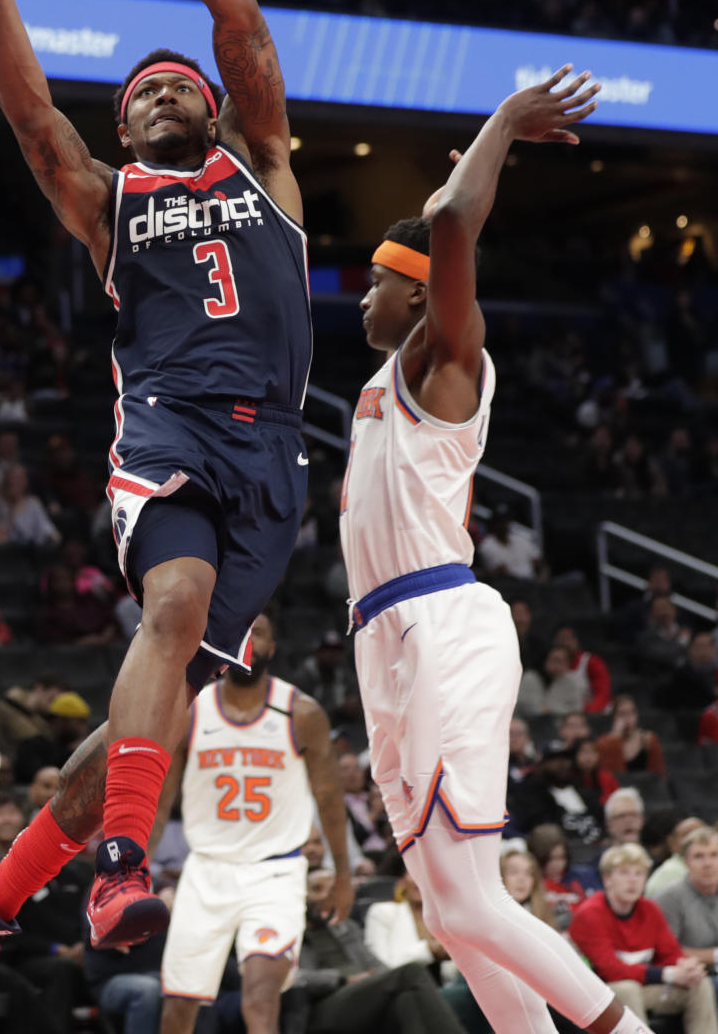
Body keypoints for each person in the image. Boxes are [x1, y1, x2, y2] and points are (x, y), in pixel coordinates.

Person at [0, 0, 313, 1014]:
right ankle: (124, 869)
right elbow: (30, 110)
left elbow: (235, 18)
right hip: (171, 430)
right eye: (134, 94)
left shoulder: (265, 160)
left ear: (213, 106)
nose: (154, 96)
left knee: (131, 724)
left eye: (173, 87)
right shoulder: (108, 201)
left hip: (275, 462)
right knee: (173, 603)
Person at [338, 70, 660, 1034]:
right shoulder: (381, 388)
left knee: (474, 899)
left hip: (442, 622)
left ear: (419, 292)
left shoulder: (448, 366)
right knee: (446, 908)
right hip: (383, 633)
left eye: (376, 284)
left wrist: (507, 124)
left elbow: (448, 220)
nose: (361, 299)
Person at [151, 610, 352, 1034]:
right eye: (240, 634)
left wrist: (343, 875)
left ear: (272, 649)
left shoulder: (303, 713)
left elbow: (330, 800)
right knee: (178, 1009)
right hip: (205, 871)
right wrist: (136, 872)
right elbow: (162, 796)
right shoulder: (190, 709)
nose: (248, 642)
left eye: (258, 633)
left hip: (275, 872)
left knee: (260, 998)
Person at [281, 868, 466, 1034]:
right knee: (411, 972)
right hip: (321, 1004)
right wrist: (341, 979)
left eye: (332, 891)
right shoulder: (288, 932)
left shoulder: (346, 927)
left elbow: (375, 964)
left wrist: (382, 979)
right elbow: (290, 977)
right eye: (317, 889)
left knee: (406, 1000)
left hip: (362, 996)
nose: (325, 897)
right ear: (301, 893)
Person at [569, 844, 718, 1032]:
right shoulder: (590, 913)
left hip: (643, 987)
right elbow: (610, 970)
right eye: (624, 873)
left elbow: (670, 953)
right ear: (607, 879)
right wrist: (667, 973)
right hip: (600, 995)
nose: (632, 881)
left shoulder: (649, 909)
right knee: (627, 988)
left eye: (639, 874)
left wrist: (686, 967)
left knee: (700, 984)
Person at [652, 827, 718, 971]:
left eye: (714, 855)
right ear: (685, 862)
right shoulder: (668, 898)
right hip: (688, 976)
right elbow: (667, 952)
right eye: (699, 856)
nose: (708, 863)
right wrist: (714, 955)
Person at [595, 695, 667, 779]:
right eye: (622, 714)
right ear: (613, 717)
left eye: (631, 713)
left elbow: (659, 774)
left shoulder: (647, 739)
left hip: (645, 787)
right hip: (619, 789)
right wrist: (614, 740)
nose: (627, 718)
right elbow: (610, 775)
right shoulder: (604, 743)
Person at [646, 818, 709, 900]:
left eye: (701, 834)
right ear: (673, 843)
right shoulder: (670, 872)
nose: (694, 839)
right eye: (687, 834)